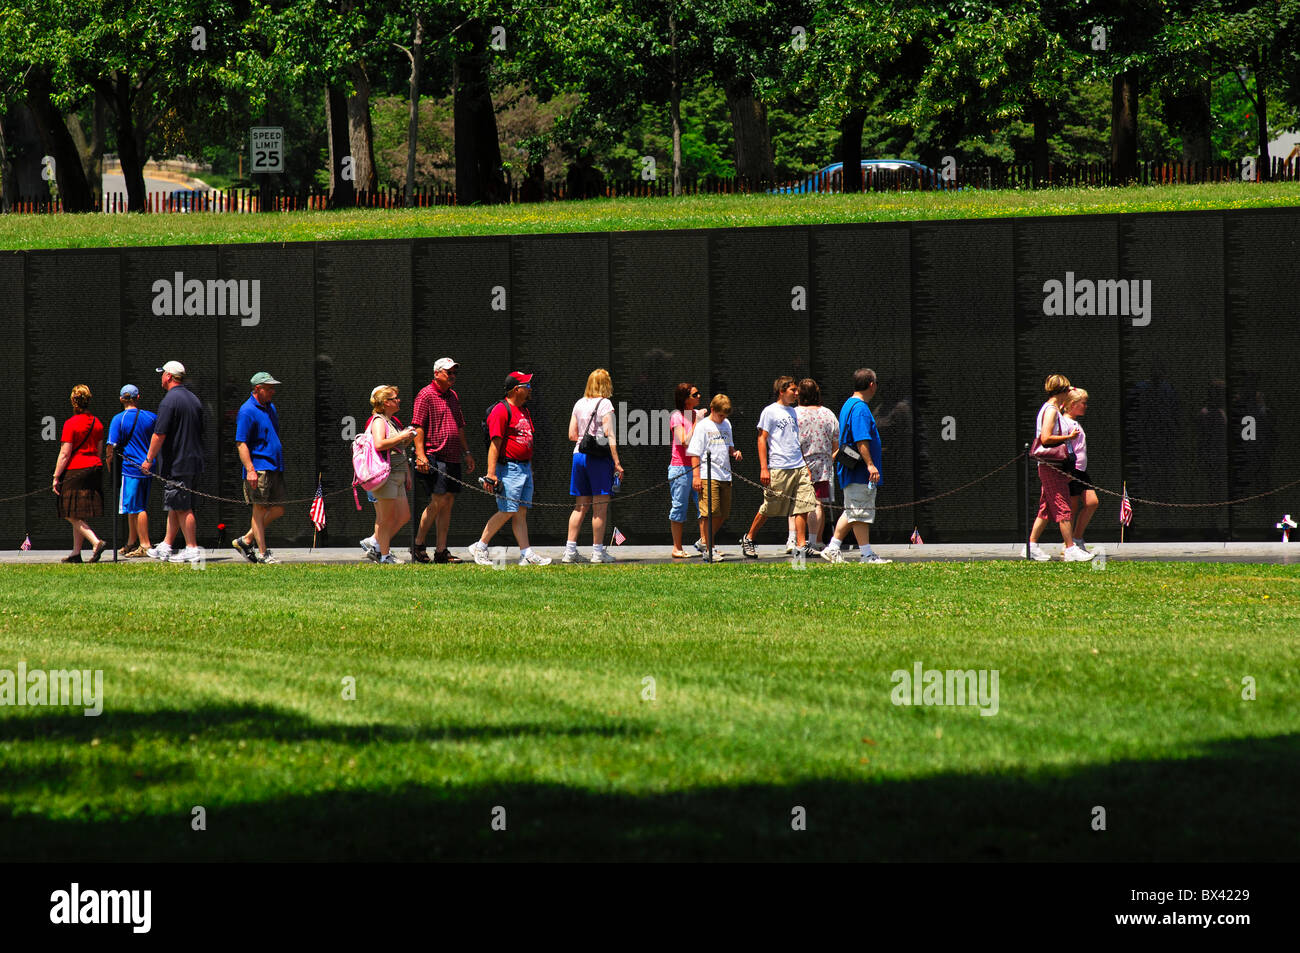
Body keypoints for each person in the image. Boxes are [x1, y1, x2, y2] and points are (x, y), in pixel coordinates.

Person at [468, 372, 552, 566]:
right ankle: (480, 547)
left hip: (524, 467)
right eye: (527, 386)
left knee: (520, 511)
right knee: (507, 510)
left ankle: (526, 553)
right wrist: (491, 473)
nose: (530, 389)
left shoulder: (524, 410)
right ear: (516, 389)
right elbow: (494, 444)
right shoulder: (500, 410)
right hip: (509, 468)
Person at [738, 376, 818, 559]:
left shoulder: (793, 411)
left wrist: (804, 464)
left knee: (804, 505)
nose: (797, 394)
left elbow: (795, 441)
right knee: (770, 507)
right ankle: (749, 538)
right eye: (793, 390)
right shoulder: (770, 411)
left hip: (798, 466)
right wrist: (764, 468)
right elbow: (761, 439)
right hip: (779, 467)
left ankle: (801, 544)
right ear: (782, 391)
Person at [821, 368, 892, 564]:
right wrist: (870, 465)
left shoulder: (848, 404)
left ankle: (833, 548)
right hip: (859, 471)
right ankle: (866, 555)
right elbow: (862, 440)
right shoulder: (860, 408)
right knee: (860, 512)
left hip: (851, 471)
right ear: (871, 384)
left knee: (853, 510)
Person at [411, 358, 476, 564]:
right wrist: (421, 455)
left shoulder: (453, 396)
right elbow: (417, 427)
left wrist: (466, 452)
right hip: (434, 455)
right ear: (437, 373)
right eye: (449, 372)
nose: (453, 376)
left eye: (455, 373)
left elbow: (459, 426)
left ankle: (441, 551)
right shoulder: (426, 394)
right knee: (438, 500)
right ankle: (419, 545)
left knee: (447, 502)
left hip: (453, 456)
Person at [140, 361, 205, 564]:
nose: (161, 378)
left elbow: (159, 434)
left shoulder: (169, 401)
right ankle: (167, 545)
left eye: (162, 374)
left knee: (183, 507)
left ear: (168, 376)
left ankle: (192, 548)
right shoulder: (193, 399)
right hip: (193, 460)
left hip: (178, 462)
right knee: (176, 504)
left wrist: (148, 459)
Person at [1027, 374, 1093, 562]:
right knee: (1063, 505)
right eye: (1067, 389)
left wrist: (1070, 390)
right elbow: (1046, 438)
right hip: (1051, 466)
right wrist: (1068, 437)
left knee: (1046, 508)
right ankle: (1070, 548)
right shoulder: (1051, 411)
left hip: (1054, 466)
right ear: (1062, 391)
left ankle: (1031, 546)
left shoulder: (1054, 408)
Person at [563, 369, 624, 564]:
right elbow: (610, 434)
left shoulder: (579, 403)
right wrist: (617, 462)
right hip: (598, 458)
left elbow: (572, 435)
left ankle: (570, 551)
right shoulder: (605, 403)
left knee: (580, 506)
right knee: (600, 507)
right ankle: (598, 552)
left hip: (579, 455)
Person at [231, 372, 286, 564]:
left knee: (278, 509)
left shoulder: (270, 407)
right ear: (257, 389)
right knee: (259, 509)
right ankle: (263, 553)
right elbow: (241, 443)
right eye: (268, 388)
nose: (272, 391)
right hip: (259, 468)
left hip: (274, 465)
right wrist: (251, 470)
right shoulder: (247, 411)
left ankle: (246, 539)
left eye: (273, 387)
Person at [52, 384, 107, 563]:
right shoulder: (97, 423)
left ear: (73, 401)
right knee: (78, 512)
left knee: (68, 511)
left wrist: (56, 476)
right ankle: (76, 553)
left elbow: (65, 453)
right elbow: (99, 451)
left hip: (76, 470)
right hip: (94, 469)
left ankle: (95, 542)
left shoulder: (71, 424)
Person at [365, 385, 417, 564]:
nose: (399, 400)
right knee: (385, 519)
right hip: (386, 475)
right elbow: (379, 444)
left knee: (403, 516)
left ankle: (376, 546)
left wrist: (407, 474)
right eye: (395, 398)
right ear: (386, 402)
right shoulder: (378, 420)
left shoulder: (391, 421)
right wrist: (402, 436)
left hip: (399, 474)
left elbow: (398, 449)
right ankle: (384, 556)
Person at [687, 394, 742, 561]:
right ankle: (708, 548)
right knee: (709, 512)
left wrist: (735, 453)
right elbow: (695, 452)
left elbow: (729, 446)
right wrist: (696, 477)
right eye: (720, 415)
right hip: (707, 474)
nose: (723, 418)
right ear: (712, 410)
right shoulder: (703, 426)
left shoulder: (727, 424)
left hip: (725, 474)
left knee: (723, 514)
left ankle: (704, 540)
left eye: (725, 415)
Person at [105, 384, 156, 557]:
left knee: (136, 507)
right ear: (138, 398)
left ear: (121, 399)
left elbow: (111, 447)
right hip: (147, 468)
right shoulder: (150, 417)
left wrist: (110, 467)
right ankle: (131, 542)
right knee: (132, 506)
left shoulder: (118, 419)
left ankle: (145, 544)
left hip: (130, 469)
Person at [790, 378, 839, 551]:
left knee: (798, 503)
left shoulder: (793, 414)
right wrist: (829, 458)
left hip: (799, 463)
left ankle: (796, 541)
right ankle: (816, 540)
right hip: (823, 465)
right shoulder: (828, 414)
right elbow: (836, 444)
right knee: (818, 503)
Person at [668, 382, 703, 558]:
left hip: (699, 467)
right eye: (695, 395)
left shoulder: (698, 415)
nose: (699, 397)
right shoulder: (677, 416)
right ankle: (677, 548)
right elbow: (684, 441)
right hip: (680, 468)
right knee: (679, 507)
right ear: (685, 398)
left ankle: (706, 545)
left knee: (704, 507)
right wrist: (697, 422)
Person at [1062, 387, 1098, 552]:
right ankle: (1069, 544)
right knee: (1072, 507)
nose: (1086, 406)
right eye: (1083, 403)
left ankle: (1077, 537)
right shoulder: (1065, 423)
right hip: (1073, 470)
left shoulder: (1074, 422)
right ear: (1073, 404)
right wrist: (1067, 471)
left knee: (1092, 502)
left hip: (1081, 471)